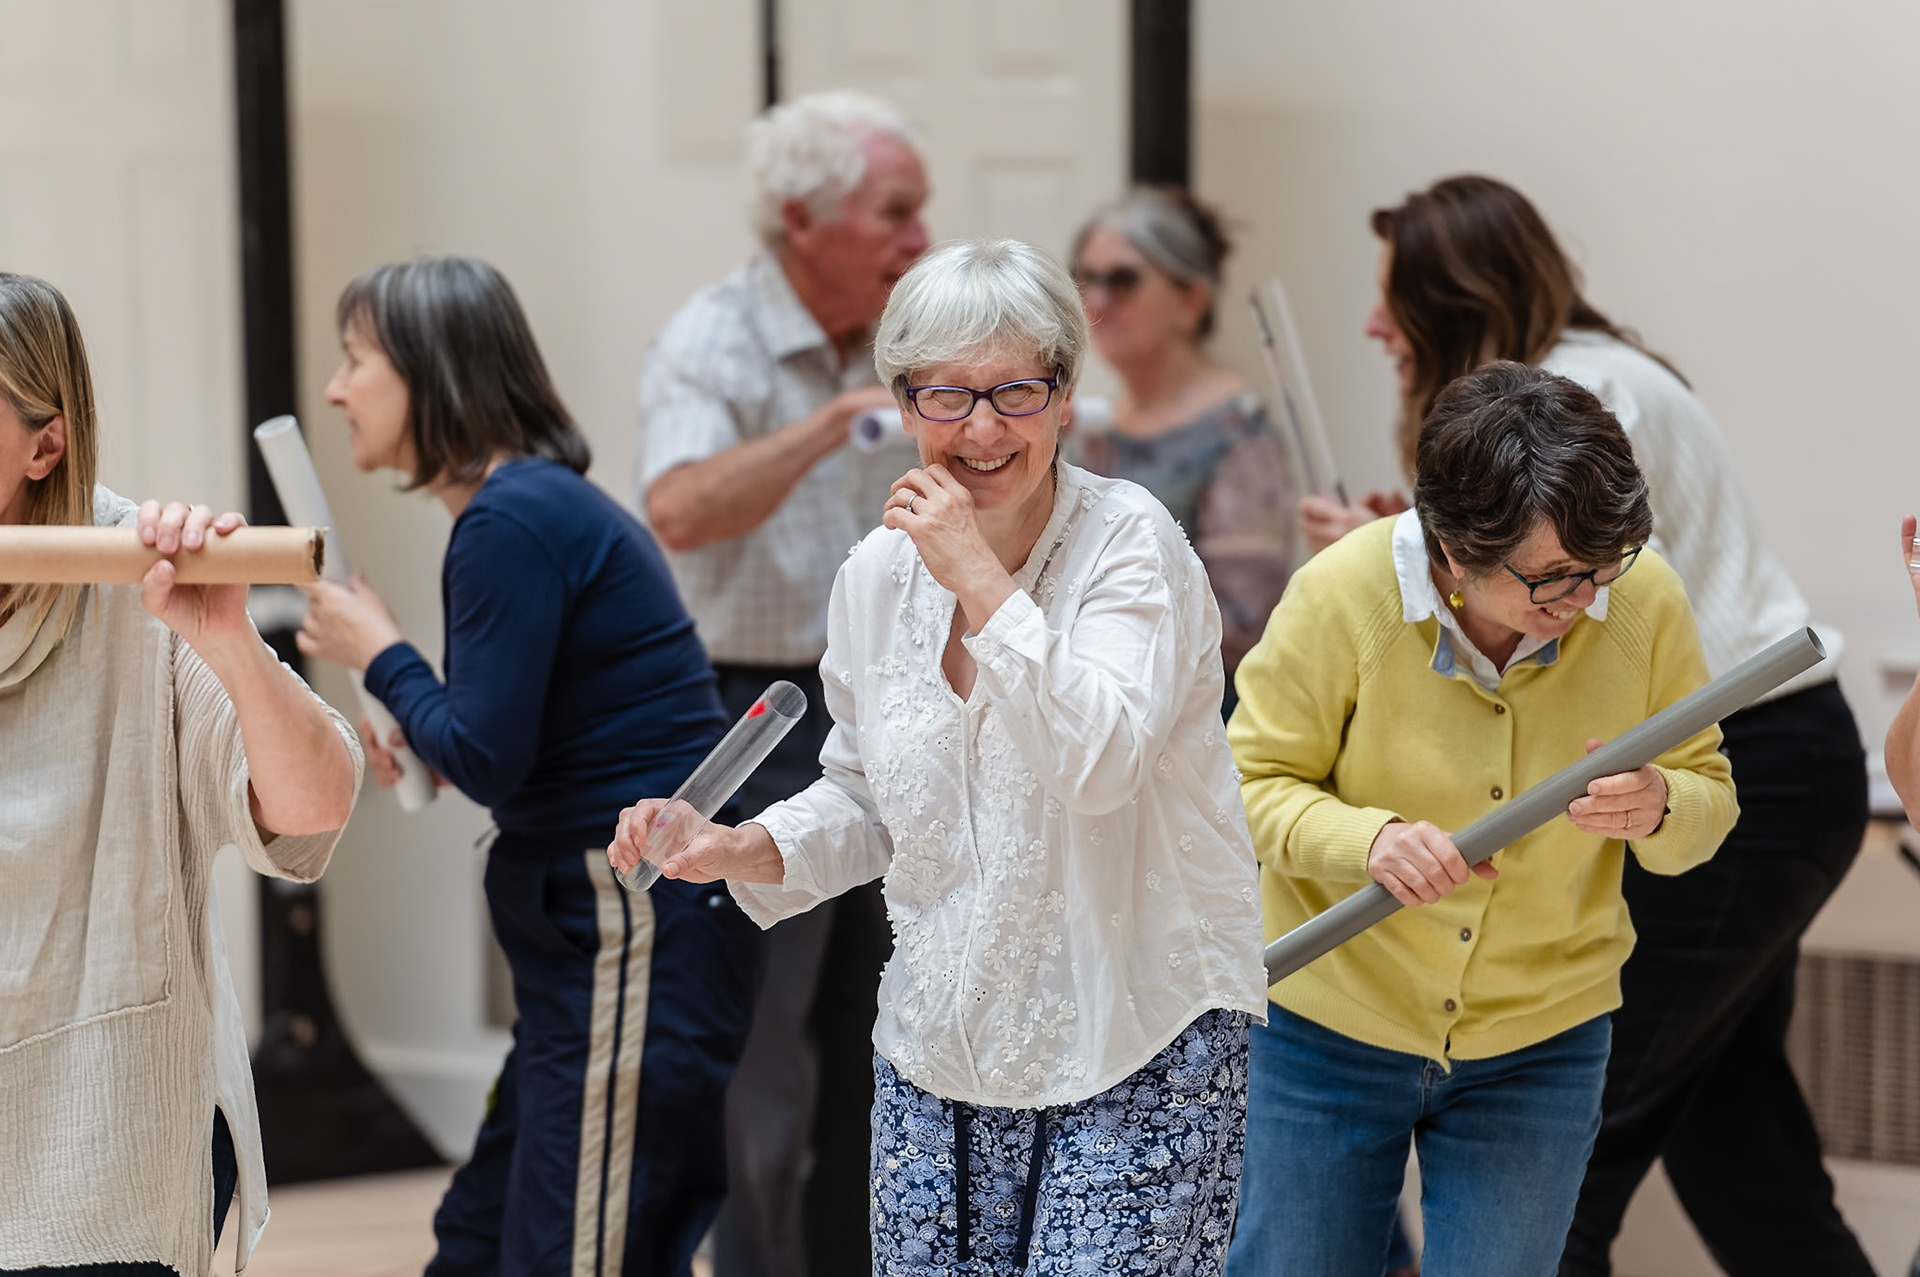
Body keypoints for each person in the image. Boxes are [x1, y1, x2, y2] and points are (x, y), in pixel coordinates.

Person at [611, 238, 1269, 1275]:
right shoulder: (875, 575)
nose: (981, 427)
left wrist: (974, 574)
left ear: (1063, 397)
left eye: (1015, 390)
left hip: (1135, 1034)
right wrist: (733, 843)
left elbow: (1097, 761)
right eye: (945, 395)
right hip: (941, 1046)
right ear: (904, 404)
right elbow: (868, 799)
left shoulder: (1130, 543)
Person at [1308, 175, 1871, 1276]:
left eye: (1393, 298)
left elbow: (1570, 617)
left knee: (1560, 1166)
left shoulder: (1574, 397)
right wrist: (1401, 551)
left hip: (1737, 769)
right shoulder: (1599, 377)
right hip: (1780, 759)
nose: (1376, 325)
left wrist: (1386, 577)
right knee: (1743, 1158)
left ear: (1451, 296)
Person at [296, 256, 761, 1277]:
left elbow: (492, 759)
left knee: (575, 1256)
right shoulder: (521, 509)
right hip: (596, 936)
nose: (336, 388)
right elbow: (513, 735)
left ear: (430, 370)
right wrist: (422, 722)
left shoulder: (510, 519)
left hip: (632, 913)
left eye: (355, 360)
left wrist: (382, 653)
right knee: (478, 1239)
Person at [1226, 363, 1739, 1277]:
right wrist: (1369, 842)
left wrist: (1663, 805)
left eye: (1602, 566)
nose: (1583, 600)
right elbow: (1246, 784)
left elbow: (1709, 796)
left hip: (1541, 1037)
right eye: (1549, 580)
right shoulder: (1344, 594)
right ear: (1451, 552)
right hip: (1326, 1027)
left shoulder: (1639, 597)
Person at [0, 273, 362, 1275]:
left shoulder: (138, 579)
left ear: (45, 443)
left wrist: (228, 639)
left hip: (103, 1143)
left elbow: (313, 812)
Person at [635, 88, 930, 1277]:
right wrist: (831, 425)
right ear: (803, 219)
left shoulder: (917, 333)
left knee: (882, 1023)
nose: (919, 237)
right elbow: (676, 508)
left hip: (899, 707)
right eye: (894, 211)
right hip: (752, 712)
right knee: (760, 1048)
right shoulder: (715, 338)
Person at [1068, 187, 1300, 709]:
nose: (1098, 301)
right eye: (1087, 278)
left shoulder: (1239, 433)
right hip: (1093, 692)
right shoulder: (1091, 421)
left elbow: (1242, 619)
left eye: (1123, 281)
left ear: (1190, 301)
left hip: (1195, 710)